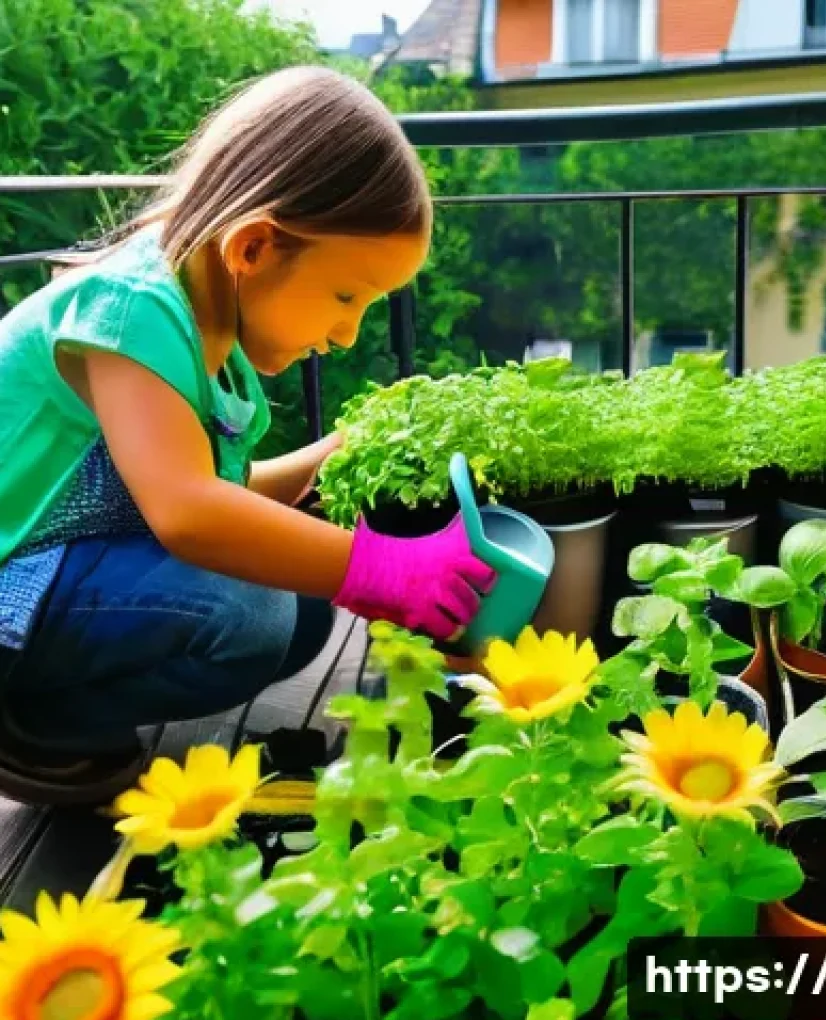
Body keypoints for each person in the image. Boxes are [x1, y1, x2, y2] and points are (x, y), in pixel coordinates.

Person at [0, 66, 496, 805]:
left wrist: (335, 451)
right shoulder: (132, 309)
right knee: (250, 614)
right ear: (255, 246)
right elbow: (191, 514)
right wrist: (386, 571)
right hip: (15, 585)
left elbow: (216, 493)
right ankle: (35, 725)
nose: (345, 333)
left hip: (58, 573)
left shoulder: (203, 325)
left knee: (301, 612)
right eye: (345, 295)